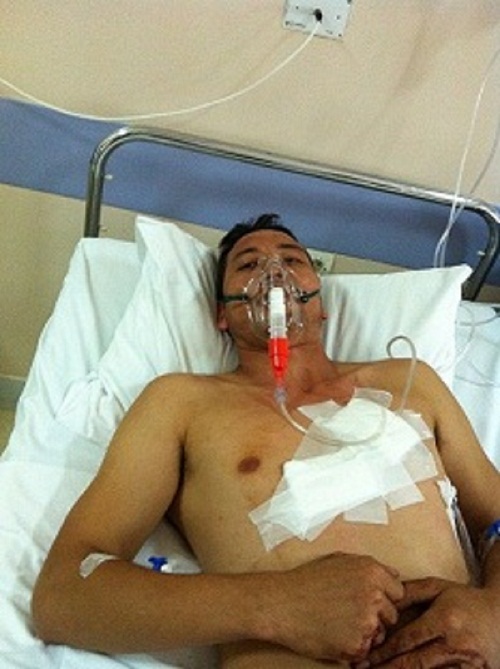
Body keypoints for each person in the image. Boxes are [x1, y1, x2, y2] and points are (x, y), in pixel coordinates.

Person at [32, 214, 500, 668]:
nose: (274, 274)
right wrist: (277, 603)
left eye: (292, 259)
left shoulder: (411, 381)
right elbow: (63, 594)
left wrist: (494, 612)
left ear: (322, 303)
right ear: (222, 314)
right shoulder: (181, 402)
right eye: (249, 264)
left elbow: (495, 519)